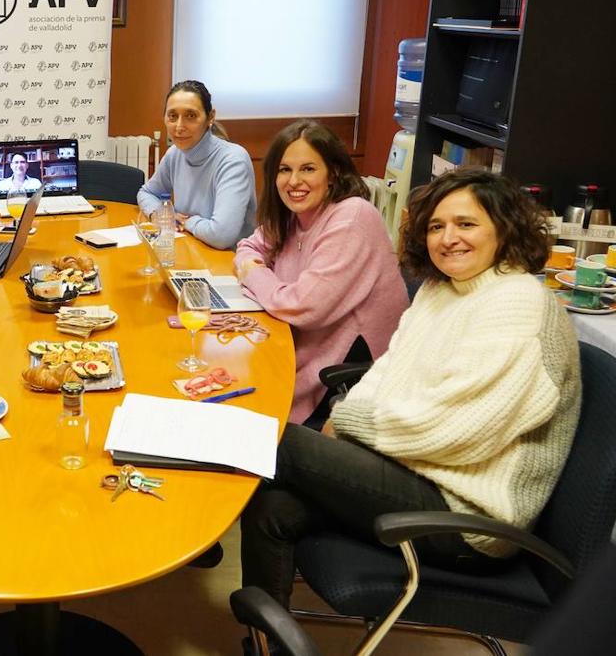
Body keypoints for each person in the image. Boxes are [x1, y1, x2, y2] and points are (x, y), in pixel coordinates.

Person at [239, 167, 581, 615]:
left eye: (466, 224)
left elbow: (456, 431)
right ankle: (267, 643)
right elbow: (385, 374)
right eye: (436, 226)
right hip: (410, 473)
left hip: (467, 517)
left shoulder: (518, 303)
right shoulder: (442, 290)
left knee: (273, 440)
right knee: (272, 506)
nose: (448, 238)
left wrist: (346, 423)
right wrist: (346, 420)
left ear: (505, 227)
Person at [234, 119, 408, 425]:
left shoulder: (352, 217)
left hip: (344, 378)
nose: (294, 181)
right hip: (295, 345)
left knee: (241, 413)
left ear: (333, 173)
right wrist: (258, 272)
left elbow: (303, 305)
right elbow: (248, 247)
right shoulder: (294, 216)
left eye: (308, 169)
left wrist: (253, 275)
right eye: (284, 170)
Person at [136, 79, 256, 249]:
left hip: (228, 262)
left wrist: (189, 222)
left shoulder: (233, 160)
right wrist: (162, 214)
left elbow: (221, 236)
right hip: (190, 248)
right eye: (172, 116)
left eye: (190, 116)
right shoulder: (174, 154)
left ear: (210, 117)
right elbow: (146, 193)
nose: (179, 126)